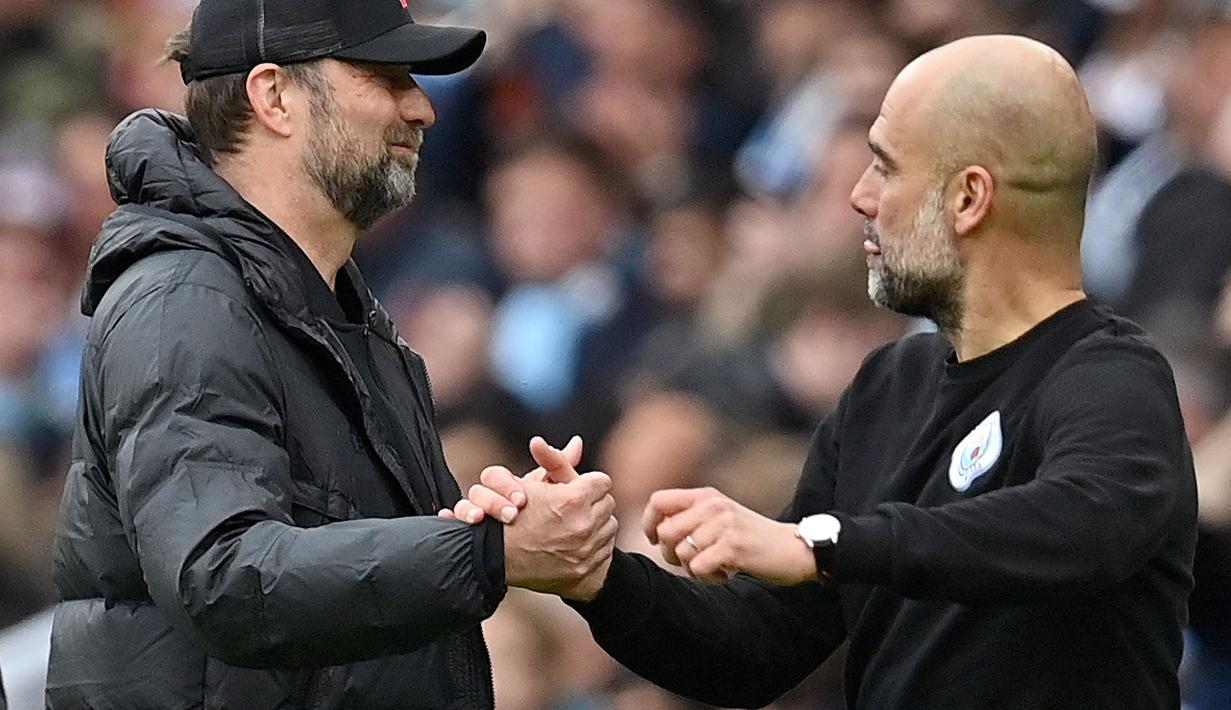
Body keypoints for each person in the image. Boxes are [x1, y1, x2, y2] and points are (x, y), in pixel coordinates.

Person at [451, 35, 1199, 709]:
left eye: (884, 166)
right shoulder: (887, 387)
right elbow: (754, 653)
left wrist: (822, 544)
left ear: (969, 197)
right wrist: (595, 578)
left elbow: (1085, 523)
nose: (858, 197)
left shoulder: (1107, 375)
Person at [45, 1, 617, 708]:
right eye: (386, 76)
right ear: (274, 96)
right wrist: (485, 556)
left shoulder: (336, 306)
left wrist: (488, 532)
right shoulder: (187, 300)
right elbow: (224, 578)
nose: (422, 108)